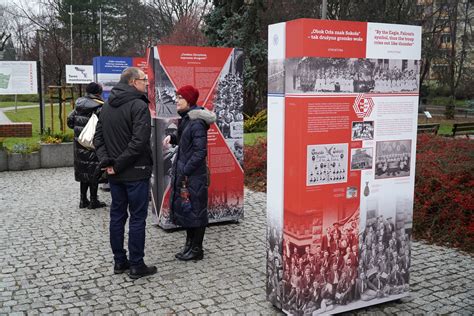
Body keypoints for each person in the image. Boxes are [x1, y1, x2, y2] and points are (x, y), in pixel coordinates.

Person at [93, 67, 156, 279]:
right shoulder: (139, 105)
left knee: (117, 217)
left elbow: (97, 139)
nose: (147, 82)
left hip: (116, 173)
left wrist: (108, 163)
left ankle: (120, 261)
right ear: (132, 82)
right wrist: (114, 164)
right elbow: (139, 142)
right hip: (135, 172)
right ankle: (136, 265)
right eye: (144, 79)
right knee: (137, 218)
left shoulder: (108, 105)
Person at [163, 85, 216, 261]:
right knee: (189, 211)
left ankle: (197, 249)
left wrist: (184, 170)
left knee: (197, 211)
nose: (176, 100)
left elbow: (200, 152)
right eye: (176, 97)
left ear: (190, 100)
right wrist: (173, 138)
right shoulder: (187, 119)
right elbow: (187, 141)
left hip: (194, 176)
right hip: (187, 174)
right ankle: (189, 245)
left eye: (180, 97)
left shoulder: (197, 122)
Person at [67, 82, 107, 209]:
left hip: (80, 143)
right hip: (93, 144)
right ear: (98, 92)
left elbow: (70, 120)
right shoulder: (100, 106)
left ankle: (83, 200)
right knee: (94, 171)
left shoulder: (79, 103)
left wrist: (80, 130)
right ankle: (94, 200)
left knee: (83, 171)